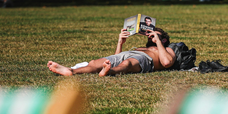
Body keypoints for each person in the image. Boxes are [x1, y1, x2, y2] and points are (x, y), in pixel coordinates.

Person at [47, 27, 175, 77]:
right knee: (95, 62)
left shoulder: (167, 49)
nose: (150, 36)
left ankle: (110, 72)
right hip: (126, 53)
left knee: (127, 64)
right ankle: (71, 71)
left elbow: (166, 63)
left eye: (155, 35)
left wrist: (158, 42)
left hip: (144, 59)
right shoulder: (142, 46)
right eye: (150, 35)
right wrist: (120, 42)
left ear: (163, 39)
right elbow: (115, 57)